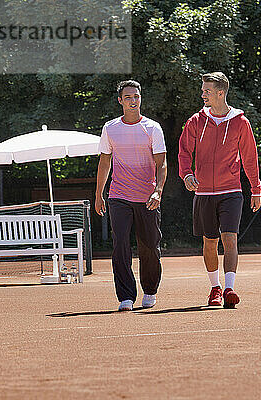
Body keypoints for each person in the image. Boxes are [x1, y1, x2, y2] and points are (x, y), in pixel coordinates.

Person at [178, 72, 261, 308]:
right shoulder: (195, 121)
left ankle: (229, 289)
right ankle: (214, 287)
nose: (202, 94)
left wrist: (256, 189)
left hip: (231, 191)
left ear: (220, 93)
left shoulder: (240, 122)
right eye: (203, 90)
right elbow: (184, 152)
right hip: (203, 192)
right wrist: (187, 174)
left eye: (207, 91)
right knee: (210, 242)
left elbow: (250, 158)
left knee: (230, 239)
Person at [95, 80, 167, 311]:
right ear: (120, 101)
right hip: (119, 196)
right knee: (120, 245)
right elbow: (104, 161)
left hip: (147, 197)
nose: (133, 101)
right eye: (128, 97)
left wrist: (158, 191)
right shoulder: (110, 128)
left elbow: (162, 163)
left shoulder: (153, 128)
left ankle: (149, 290)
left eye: (136, 96)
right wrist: (99, 194)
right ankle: (125, 296)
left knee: (149, 247)